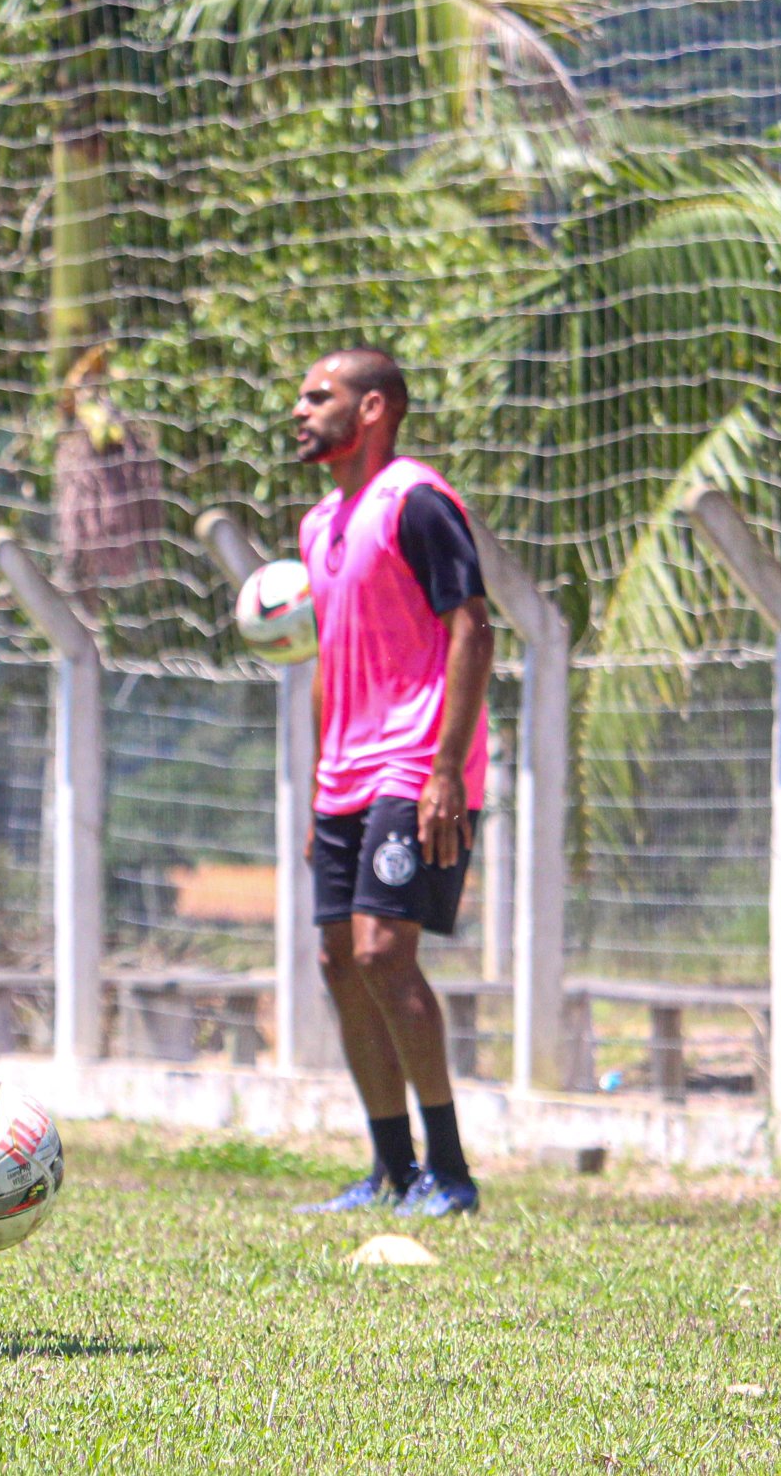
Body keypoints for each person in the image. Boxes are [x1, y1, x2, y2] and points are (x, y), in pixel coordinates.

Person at [289, 348, 493, 1220]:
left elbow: (473, 628)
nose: (299, 410)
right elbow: (328, 663)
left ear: (373, 408)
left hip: (414, 766)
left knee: (384, 953)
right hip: (342, 774)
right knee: (339, 962)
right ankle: (390, 1171)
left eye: (317, 396)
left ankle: (450, 1172)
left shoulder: (416, 500)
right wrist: (312, 785)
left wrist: (448, 767)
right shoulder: (317, 525)